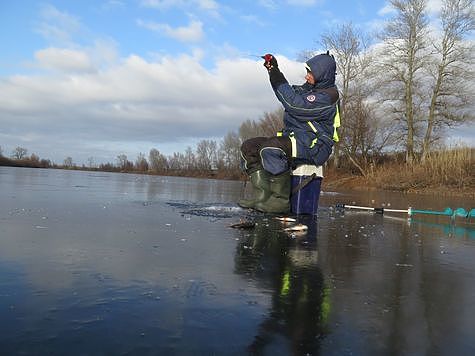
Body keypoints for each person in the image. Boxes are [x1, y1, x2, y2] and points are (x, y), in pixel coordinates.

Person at [239, 51, 340, 213]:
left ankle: (279, 201)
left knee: (272, 148)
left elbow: (294, 105)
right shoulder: (309, 89)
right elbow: (288, 93)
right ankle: (262, 197)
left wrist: (276, 74)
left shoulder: (328, 96)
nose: (307, 76)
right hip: (297, 139)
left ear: (323, 75)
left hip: (316, 145)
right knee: (249, 147)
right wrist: (273, 70)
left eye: (311, 73)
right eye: (307, 71)